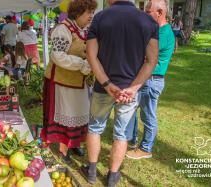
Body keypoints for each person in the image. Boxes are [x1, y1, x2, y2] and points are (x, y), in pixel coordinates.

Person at [80, 0, 159, 186]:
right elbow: (152, 60)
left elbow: (91, 56)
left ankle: (91, 171)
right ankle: (113, 176)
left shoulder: (100, 17)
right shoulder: (148, 21)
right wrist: (133, 88)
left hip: (103, 87)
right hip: (128, 91)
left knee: (95, 127)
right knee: (121, 134)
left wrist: (107, 85)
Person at [41, 0, 97, 163]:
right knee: (66, 113)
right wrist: (82, 64)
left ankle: (74, 143)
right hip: (61, 81)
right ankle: (63, 150)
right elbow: (57, 56)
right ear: (78, 13)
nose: (91, 16)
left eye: (92, 12)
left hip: (78, 81)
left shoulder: (84, 30)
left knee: (79, 112)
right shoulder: (62, 29)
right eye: (89, 12)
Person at [126, 0, 175, 159]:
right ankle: (131, 140)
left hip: (152, 80)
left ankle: (146, 148)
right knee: (132, 109)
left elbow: (142, 52)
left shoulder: (163, 33)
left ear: (160, 13)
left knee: (148, 115)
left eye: (148, 12)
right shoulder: (156, 30)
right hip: (145, 79)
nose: (144, 14)